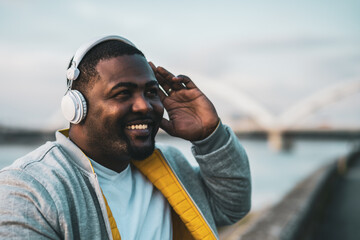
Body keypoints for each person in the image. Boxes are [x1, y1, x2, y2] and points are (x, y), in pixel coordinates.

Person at [0, 35, 251, 240]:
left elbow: (232, 209)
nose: (144, 106)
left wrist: (210, 137)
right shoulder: (28, 189)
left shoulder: (171, 166)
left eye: (151, 92)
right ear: (76, 107)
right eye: (122, 94)